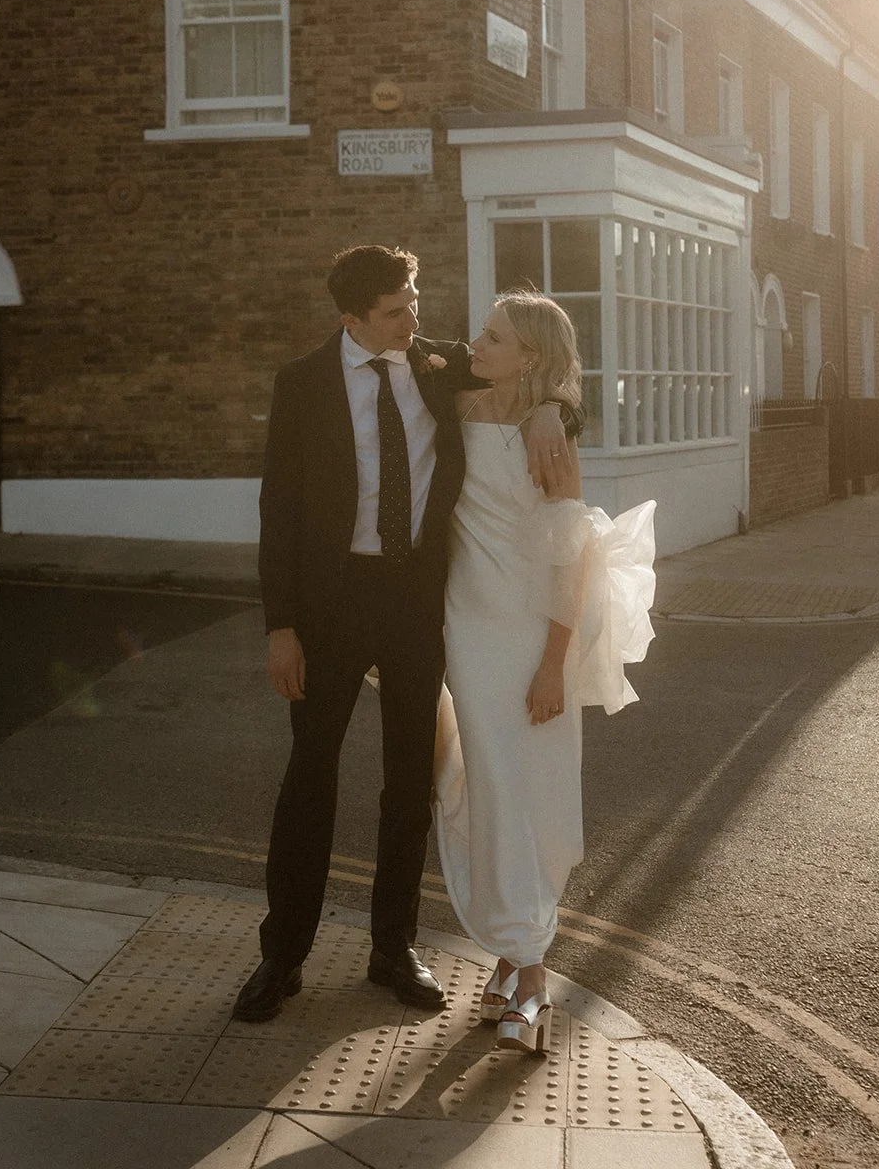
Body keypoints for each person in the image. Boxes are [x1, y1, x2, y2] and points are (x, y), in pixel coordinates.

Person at [233, 246, 574, 1023]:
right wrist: (280, 626)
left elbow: (534, 377)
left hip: (418, 601)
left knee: (409, 780)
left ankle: (393, 948)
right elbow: (277, 509)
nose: (413, 320)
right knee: (309, 775)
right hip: (329, 606)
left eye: (414, 301)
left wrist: (555, 409)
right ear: (351, 318)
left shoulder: (436, 363)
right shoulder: (301, 384)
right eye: (395, 311)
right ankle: (282, 956)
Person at [434, 290, 657, 1054]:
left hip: (531, 634)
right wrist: (548, 401)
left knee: (529, 787)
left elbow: (570, 557)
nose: (475, 343)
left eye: (492, 336)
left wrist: (553, 665)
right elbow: (419, 356)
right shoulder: (455, 403)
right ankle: (512, 952)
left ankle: (530, 977)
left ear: (528, 355)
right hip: (468, 628)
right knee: (482, 784)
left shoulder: (552, 435)